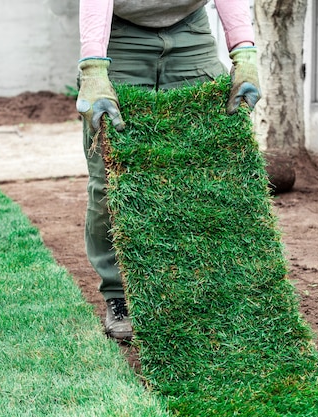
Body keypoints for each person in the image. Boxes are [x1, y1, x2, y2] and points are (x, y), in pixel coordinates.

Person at [77, 0, 261, 342]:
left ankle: (204, 286)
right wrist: (93, 70)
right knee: (110, 182)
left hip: (190, 29)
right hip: (120, 34)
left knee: (208, 171)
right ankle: (118, 295)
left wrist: (244, 56)